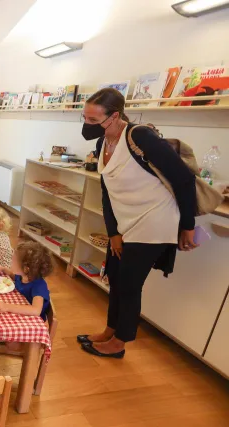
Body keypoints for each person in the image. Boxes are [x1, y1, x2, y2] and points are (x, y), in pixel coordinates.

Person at [77, 88, 197, 359]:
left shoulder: (140, 136)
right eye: (84, 118)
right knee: (115, 278)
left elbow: (183, 179)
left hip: (154, 221)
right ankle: (109, 330)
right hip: (125, 222)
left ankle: (120, 342)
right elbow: (107, 192)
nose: (87, 126)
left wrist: (187, 225)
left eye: (94, 121)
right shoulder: (101, 144)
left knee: (130, 283)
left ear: (115, 116)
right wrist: (113, 233)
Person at [0, 241, 52, 320]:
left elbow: (36, 310)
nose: (11, 262)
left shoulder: (39, 286)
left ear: (26, 269)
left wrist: (7, 306)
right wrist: (3, 269)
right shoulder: (24, 276)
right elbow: (15, 277)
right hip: (18, 308)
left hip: (30, 321)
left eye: (14, 261)